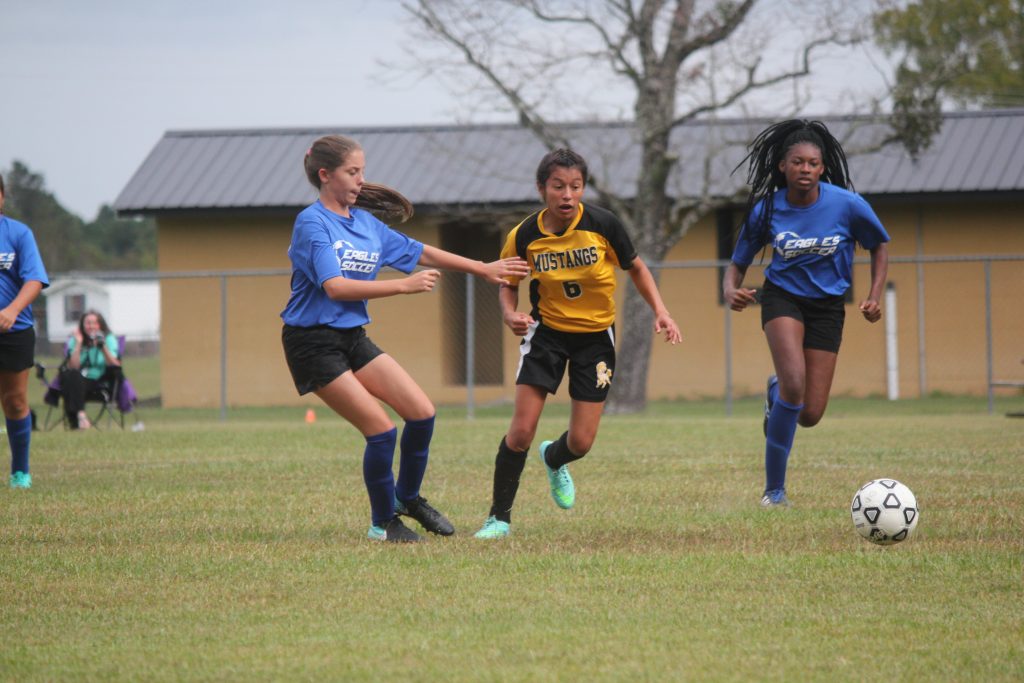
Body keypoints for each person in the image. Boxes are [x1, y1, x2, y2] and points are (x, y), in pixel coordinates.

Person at [281, 134, 530, 543]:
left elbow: (421, 251)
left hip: (350, 337)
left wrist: (482, 268)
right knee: (380, 431)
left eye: (362, 171)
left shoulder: (362, 222)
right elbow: (336, 288)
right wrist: (403, 287)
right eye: (352, 172)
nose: (361, 180)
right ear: (325, 175)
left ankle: (407, 498)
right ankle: (382, 524)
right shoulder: (312, 223)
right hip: (311, 343)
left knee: (421, 413)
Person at [474, 148, 682, 539]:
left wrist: (661, 311)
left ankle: (554, 458)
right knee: (520, 431)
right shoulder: (524, 236)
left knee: (582, 442)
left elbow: (636, 267)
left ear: (583, 189)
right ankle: (498, 519)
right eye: (558, 186)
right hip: (546, 334)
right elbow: (508, 284)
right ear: (542, 189)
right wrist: (509, 314)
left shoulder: (604, 225)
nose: (567, 195)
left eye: (575, 186)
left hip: (596, 338)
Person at [722, 119, 890, 507]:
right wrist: (732, 291)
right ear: (783, 165)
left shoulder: (847, 205)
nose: (805, 169)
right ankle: (774, 492)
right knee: (796, 386)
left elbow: (879, 245)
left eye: (813, 163)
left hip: (829, 307)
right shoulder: (766, 210)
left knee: (809, 413)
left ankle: (775, 392)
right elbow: (736, 264)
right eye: (797, 162)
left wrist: (874, 295)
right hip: (782, 298)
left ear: (822, 168)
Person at [0, 173, 49, 488]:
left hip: (14, 330)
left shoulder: (18, 234)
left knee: (15, 400)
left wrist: (12, 310)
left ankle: (20, 471)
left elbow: (34, 280)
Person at [59, 310, 123, 430]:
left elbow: (115, 364)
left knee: (69, 382)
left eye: (95, 323)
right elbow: (73, 365)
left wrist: (102, 346)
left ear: (101, 325)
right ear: (82, 325)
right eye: (88, 323)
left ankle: (76, 423)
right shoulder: (76, 339)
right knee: (70, 375)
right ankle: (81, 415)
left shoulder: (108, 339)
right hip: (78, 381)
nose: (91, 326)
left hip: (99, 382)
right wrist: (78, 344)